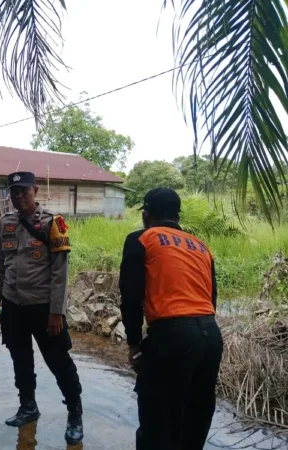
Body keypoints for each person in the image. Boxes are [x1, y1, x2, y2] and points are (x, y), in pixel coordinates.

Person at [119, 187, 223, 450]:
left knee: (156, 423)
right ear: (177, 215)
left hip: (172, 336)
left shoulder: (142, 238)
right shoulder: (201, 246)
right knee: (195, 419)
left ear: (146, 214)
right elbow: (211, 299)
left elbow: (130, 297)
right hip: (210, 337)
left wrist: (134, 343)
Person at [0, 171, 83, 446]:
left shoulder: (53, 223)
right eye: (13, 192)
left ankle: (75, 414)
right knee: (21, 361)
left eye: (24, 191)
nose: (18, 197)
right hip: (13, 307)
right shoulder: (5, 223)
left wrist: (57, 313)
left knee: (59, 363)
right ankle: (28, 407)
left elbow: (59, 274)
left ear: (35, 191)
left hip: (43, 309)